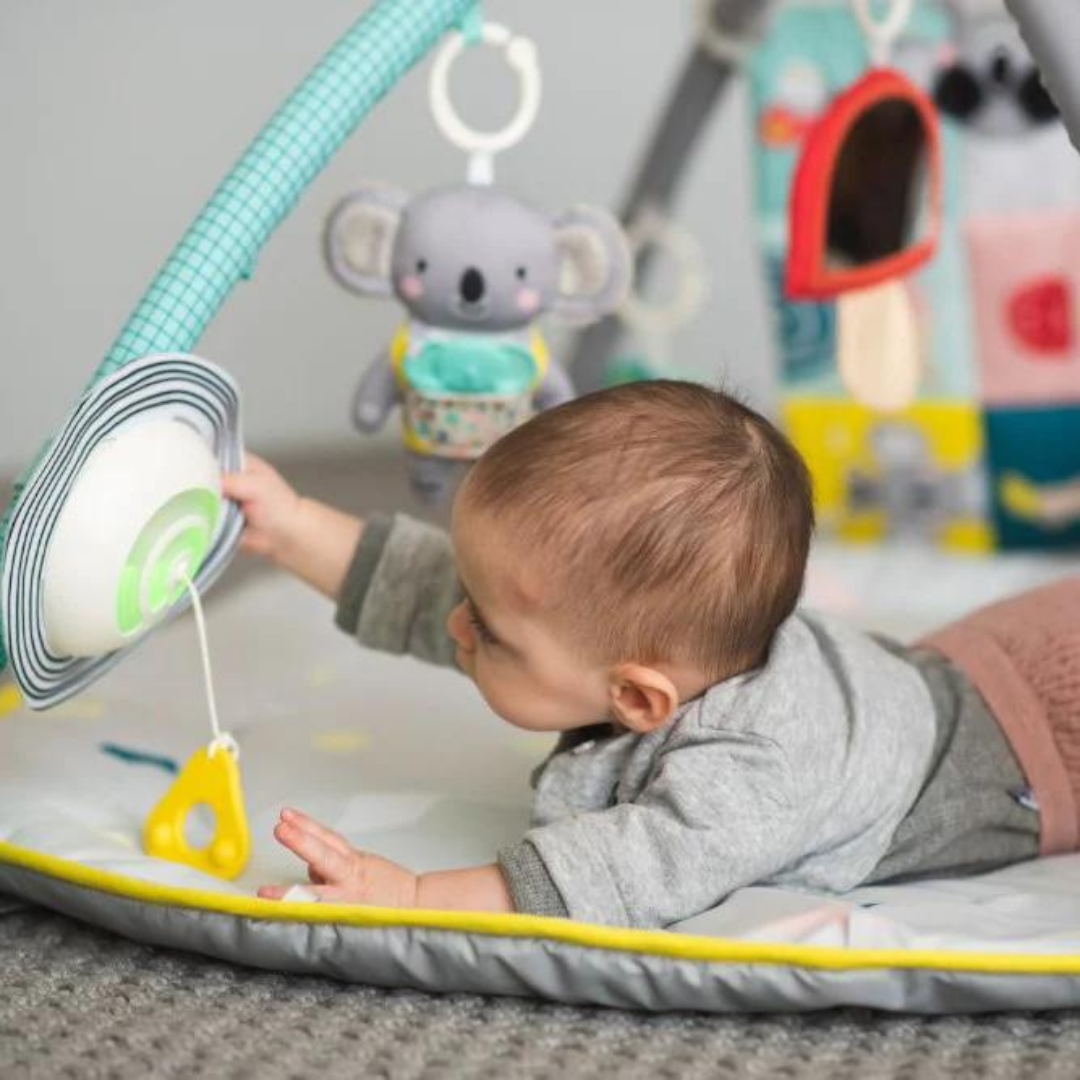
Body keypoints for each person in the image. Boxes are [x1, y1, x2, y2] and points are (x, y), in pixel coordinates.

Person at [223, 381, 1068, 928]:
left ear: (638, 700)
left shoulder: (749, 779)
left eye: (488, 628)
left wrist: (411, 896)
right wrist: (292, 525)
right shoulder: (630, 642)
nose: (457, 625)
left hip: (1036, 749)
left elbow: (618, 874)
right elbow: (432, 588)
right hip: (968, 663)